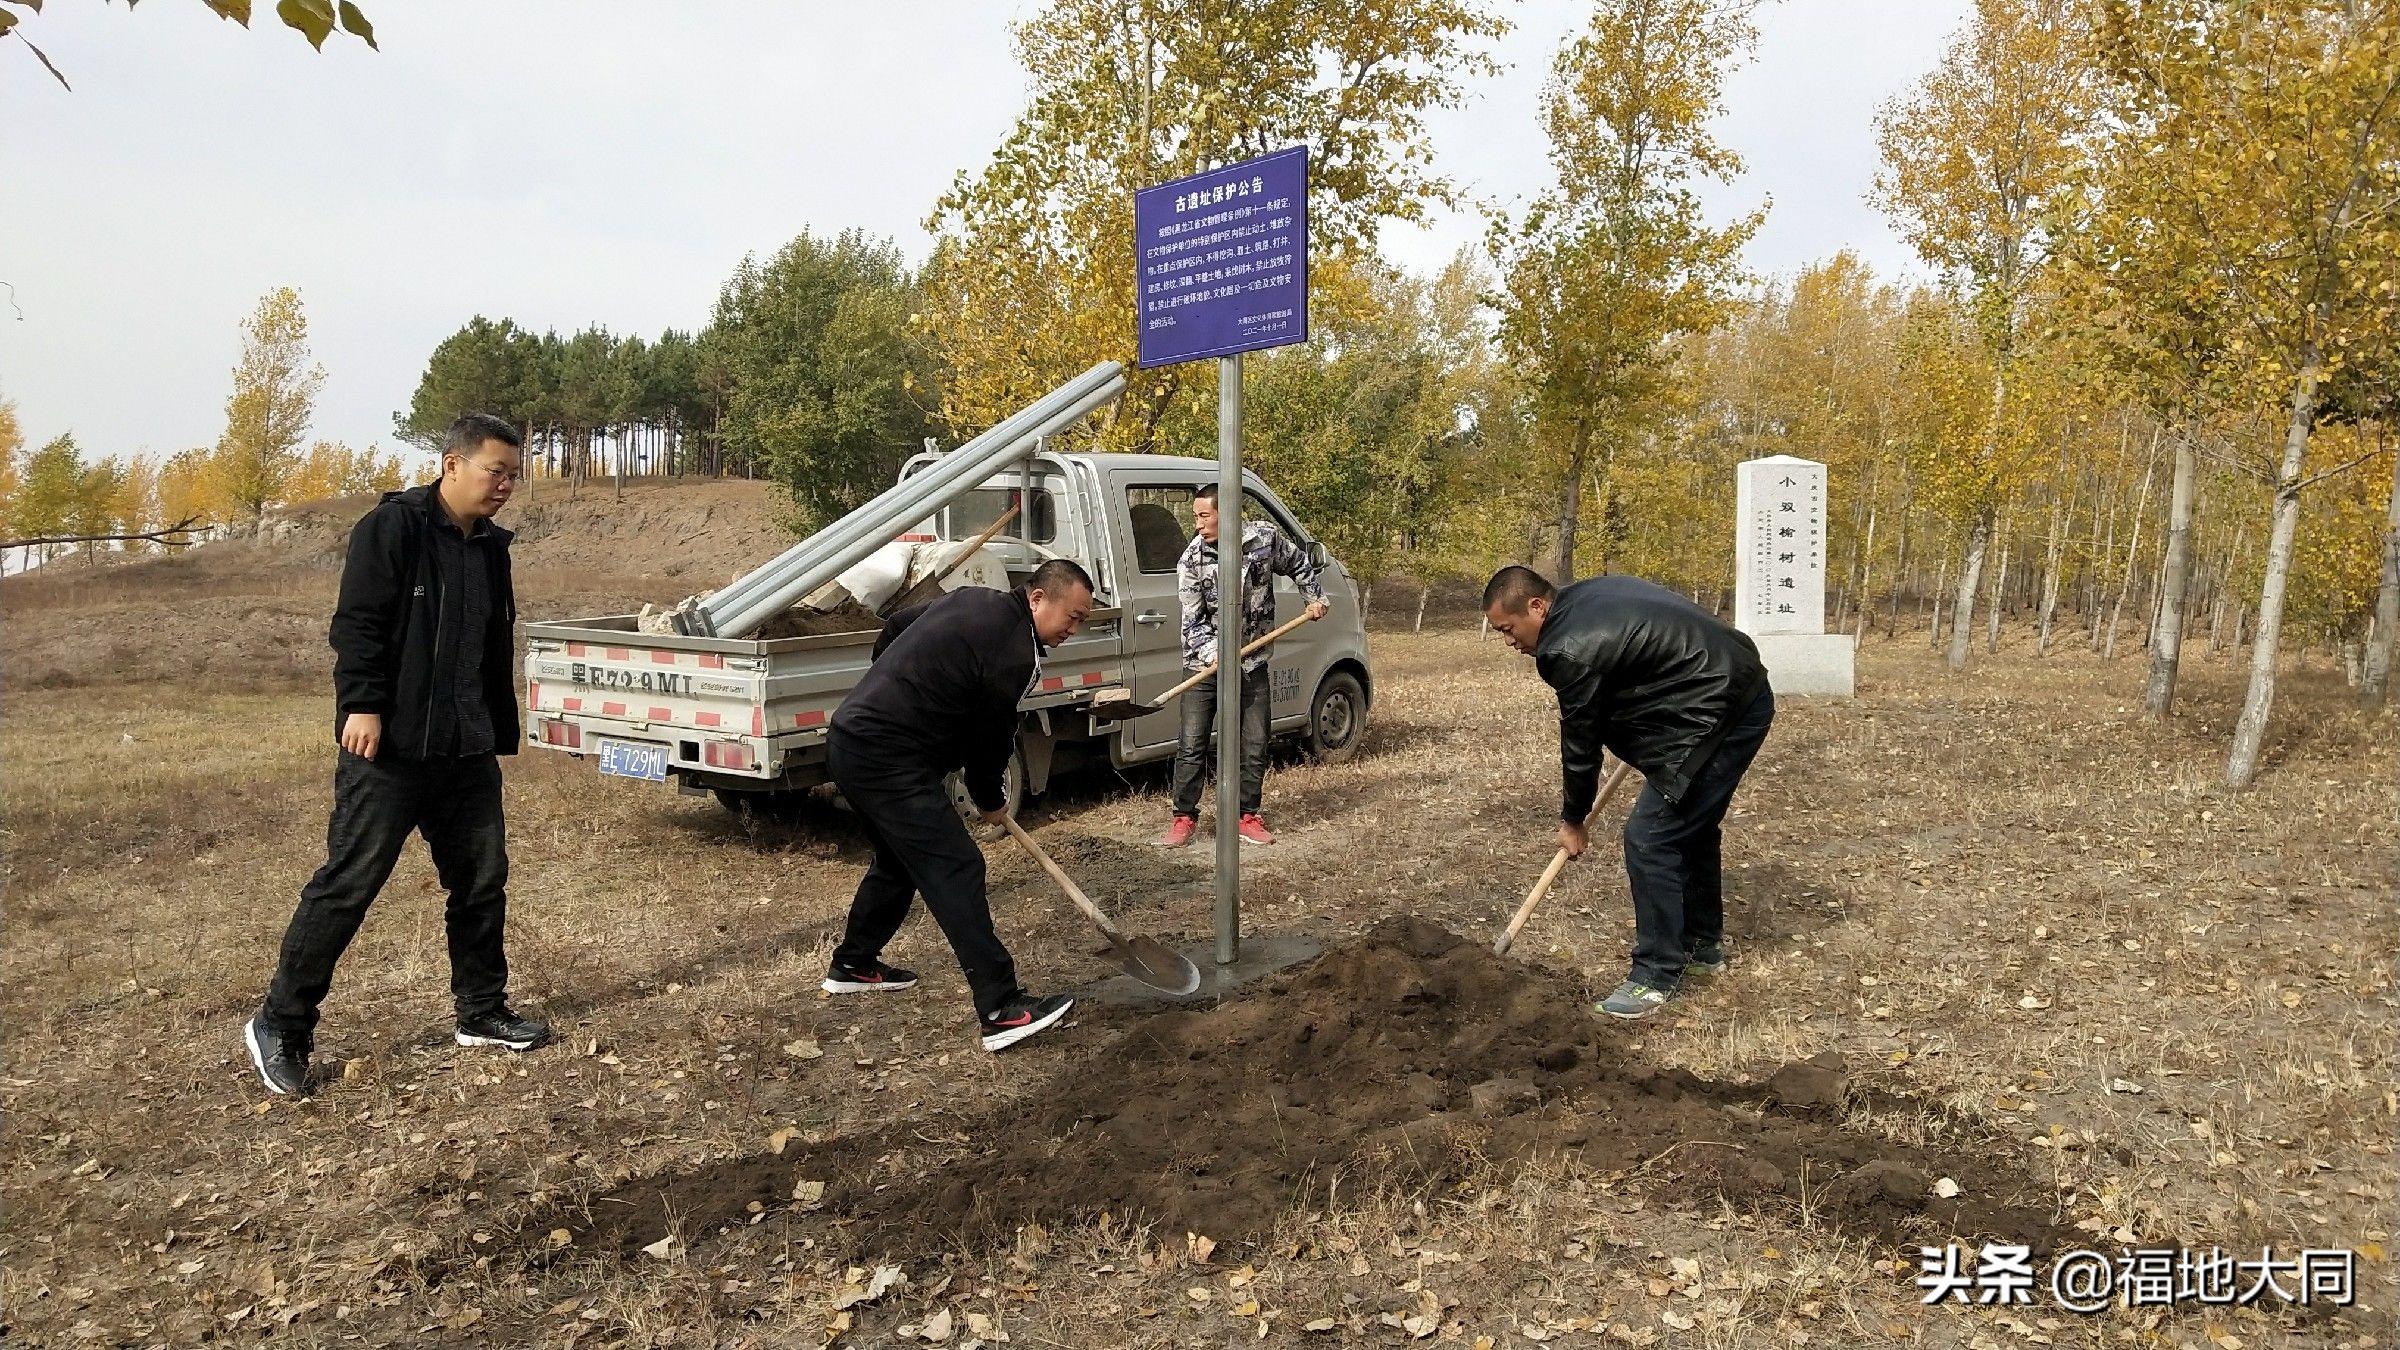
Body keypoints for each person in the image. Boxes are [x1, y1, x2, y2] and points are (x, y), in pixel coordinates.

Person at [245, 414, 549, 1096]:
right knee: (349, 884)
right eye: (493, 471)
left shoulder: (491, 547)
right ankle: (281, 1023)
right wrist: (362, 703)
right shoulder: (395, 528)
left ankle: (481, 1011)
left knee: (480, 882)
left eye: (512, 475)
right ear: (451, 464)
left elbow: (487, 645)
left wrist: (497, 727)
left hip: (465, 749)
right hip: (391, 749)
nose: (504, 485)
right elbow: (357, 622)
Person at [822, 559, 1096, 1052]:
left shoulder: (974, 599)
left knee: (897, 861)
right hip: (887, 757)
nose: (1073, 630)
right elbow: (989, 740)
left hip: (851, 740)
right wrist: (991, 799)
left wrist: (897, 682)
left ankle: (854, 963)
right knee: (957, 866)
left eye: (1081, 621)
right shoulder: (1014, 653)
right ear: (1037, 598)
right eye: (1071, 617)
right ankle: (1000, 1008)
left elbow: (898, 626)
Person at [1481, 565, 1776, 1020]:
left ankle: (1655, 976)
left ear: (1536, 607)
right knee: (1689, 827)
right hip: (1734, 683)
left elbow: (1579, 743)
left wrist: (1573, 819)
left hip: (1720, 707)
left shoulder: (1566, 648)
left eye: (1509, 628)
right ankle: (1702, 948)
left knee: (1652, 836)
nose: (1509, 640)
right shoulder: (1587, 596)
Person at [1160, 484, 1329, 848]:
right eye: (1195, 517)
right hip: (1203, 666)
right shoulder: (1191, 561)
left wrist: (1313, 597)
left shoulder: (1265, 541)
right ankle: (1184, 818)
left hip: (1252, 661)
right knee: (1192, 744)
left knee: (1254, 741)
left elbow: (1299, 562)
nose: (1198, 524)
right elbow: (1192, 623)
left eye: (1205, 516)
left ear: (1230, 512)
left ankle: (1246, 815)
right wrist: (1212, 654)